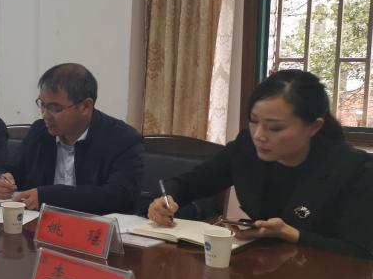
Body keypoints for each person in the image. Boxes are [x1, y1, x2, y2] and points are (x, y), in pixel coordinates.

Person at [147, 69, 373, 259]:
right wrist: (166, 200)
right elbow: (191, 183)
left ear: (314, 127)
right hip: (260, 271)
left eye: (275, 128)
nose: (259, 135)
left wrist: (291, 234)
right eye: (254, 121)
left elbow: (361, 252)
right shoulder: (246, 148)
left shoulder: (353, 169)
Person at [0, 63, 143, 213]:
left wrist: (49, 196)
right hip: (39, 222)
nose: (45, 115)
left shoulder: (122, 139)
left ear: (86, 107)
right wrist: (0, 182)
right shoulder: (40, 131)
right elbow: (11, 170)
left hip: (95, 224)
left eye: (55, 108)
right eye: (42, 105)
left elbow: (119, 196)